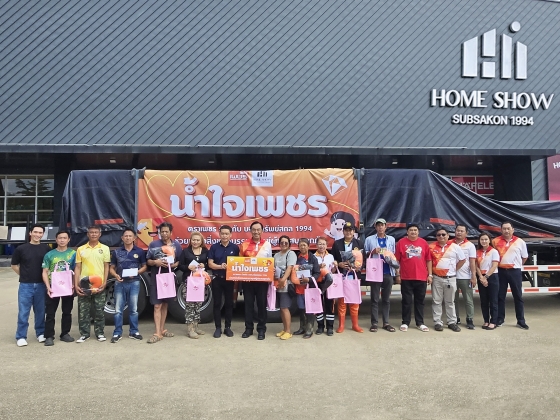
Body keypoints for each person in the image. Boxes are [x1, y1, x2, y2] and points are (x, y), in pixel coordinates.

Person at [12, 224, 50, 347]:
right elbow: (14, 265)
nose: (38, 235)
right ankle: (21, 336)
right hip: (25, 285)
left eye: (40, 233)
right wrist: (23, 275)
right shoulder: (21, 249)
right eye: (35, 232)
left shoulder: (46, 249)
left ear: (43, 234)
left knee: (40, 311)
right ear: (30, 233)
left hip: (41, 285)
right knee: (23, 312)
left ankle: (40, 333)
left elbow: (48, 266)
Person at [109, 228, 147, 343]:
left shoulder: (139, 251)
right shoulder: (116, 252)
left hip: (134, 282)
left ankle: (134, 331)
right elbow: (111, 268)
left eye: (130, 236)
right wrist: (115, 275)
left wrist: (136, 273)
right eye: (126, 236)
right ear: (122, 238)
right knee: (118, 310)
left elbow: (145, 266)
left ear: (134, 238)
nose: (128, 238)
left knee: (133, 309)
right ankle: (117, 332)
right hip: (120, 283)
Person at [146, 222, 182, 343]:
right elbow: (148, 261)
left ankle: (162, 329)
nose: (164, 234)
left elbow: (179, 261)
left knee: (165, 304)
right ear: (159, 233)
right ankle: (157, 332)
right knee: (157, 305)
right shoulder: (153, 244)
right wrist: (155, 262)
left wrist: (173, 265)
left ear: (171, 233)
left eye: (166, 231)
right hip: (156, 277)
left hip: (169, 278)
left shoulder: (176, 245)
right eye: (162, 232)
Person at [74, 225, 111, 343]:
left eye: (96, 232)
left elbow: (106, 266)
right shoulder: (81, 249)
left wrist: (105, 282)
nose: (93, 234)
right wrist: (76, 284)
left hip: (99, 284)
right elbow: (78, 267)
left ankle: (100, 333)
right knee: (83, 311)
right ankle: (84, 334)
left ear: (100, 234)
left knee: (99, 310)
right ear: (87, 234)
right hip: (84, 284)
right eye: (91, 232)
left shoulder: (105, 248)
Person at [394, 223, 432, 332]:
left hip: (421, 277)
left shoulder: (423, 243)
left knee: (420, 301)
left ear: (418, 232)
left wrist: (430, 275)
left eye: (415, 230)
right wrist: (398, 274)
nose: (413, 232)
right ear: (407, 232)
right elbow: (396, 260)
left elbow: (428, 260)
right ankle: (405, 322)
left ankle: (420, 323)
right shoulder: (401, 242)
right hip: (406, 277)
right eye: (411, 230)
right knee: (406, 301)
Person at [41, 230, 77, 346]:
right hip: (53, 287)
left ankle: (65, 334)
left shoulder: (73, 254)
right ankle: (49, 336)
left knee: (67, 311)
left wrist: (74, 284)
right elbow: (45, 271)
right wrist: (48, 287)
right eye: (60, 238)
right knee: (50, 312)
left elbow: (76, 270)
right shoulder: (49, 254)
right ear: (56, 240)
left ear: (68, 239)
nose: (62, 240)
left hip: (68, 286)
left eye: (64, 238)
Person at [493, 221, 529, 329]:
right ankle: (500, 319)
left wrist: (516, 265)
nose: (506, 231)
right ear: (501, 230)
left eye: (508, 228)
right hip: (500, 271)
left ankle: (521, 320)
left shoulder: (520, 242)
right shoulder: (495, 241)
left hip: (515, 272)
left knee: (518, 296)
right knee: (500, 296)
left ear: (513, 230)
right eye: (504, 228)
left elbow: (524, 257)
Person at [364, 218, 398, 333]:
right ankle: (374, 323)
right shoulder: (369, 239)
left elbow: (393, 255)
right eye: (378, 225)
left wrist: (397, 271)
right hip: (375, 272)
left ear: (385, 227)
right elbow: (364, 253)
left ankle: (386, 322)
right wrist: (372, 252)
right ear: (375, 227)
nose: (380, 227)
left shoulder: (391, 239)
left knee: (386, 299)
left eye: (382, 225)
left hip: (388, 272)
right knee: (374, 299)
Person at [240, 221, 272, 340]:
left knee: (261, 305)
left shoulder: (267, 245)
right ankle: (248, 329)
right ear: (251, 231)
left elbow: (269, 261)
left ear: (262, 231)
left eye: (258, 229)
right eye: (254, 229)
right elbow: (240, 262)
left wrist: (271, 270)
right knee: (248, 305)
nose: (256, 232)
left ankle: (261, 329)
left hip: (262, 281)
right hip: (247, 281)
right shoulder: (244, 244)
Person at [429, 228, 465, 332]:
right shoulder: (431, 247)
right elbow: (429, 261)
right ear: (436, 237)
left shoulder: (455, 247)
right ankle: (437, 322)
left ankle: (452, 322)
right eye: (439, 235)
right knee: (436, 301)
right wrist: (430, 275)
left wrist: (454, 270)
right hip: (436, 278)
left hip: (451, 278)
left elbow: (462, 260)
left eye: (443, 234)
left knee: (450, 301)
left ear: (448, 236)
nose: (441, 236)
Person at [331, 222, 365, 333]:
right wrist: (339, 264)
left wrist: (358, 266)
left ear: (354, 232)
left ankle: (355, 325)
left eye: (350, 230)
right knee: (342, 301)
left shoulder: (359, 243)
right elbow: (332, 259)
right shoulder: (337, 244)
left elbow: (363, 260)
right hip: (342, 276)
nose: (348, 232)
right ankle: (341, 325)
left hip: (354, 276)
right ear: (343, 231)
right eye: (346, 230)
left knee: (354, 301)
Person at [208, 225, 240, 338]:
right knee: (217, 303)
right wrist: (220, 266)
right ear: (219, 234)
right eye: (222, 233)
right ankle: (218, 328)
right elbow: (210, 263)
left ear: (230, 235)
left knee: (229, 304)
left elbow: (238, 263)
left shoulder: (235, 248)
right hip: (217, 278)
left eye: (227, 234)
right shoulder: (214, 247)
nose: (224, 236)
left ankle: (228, 327)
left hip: (229, 280)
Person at [179, 231, 209, 339]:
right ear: (190, 241)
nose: (195, 242)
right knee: (190, 305)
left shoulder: (205, 251)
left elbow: (208, 265)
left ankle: (196, 327)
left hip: (200, 282)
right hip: (189, 282)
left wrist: (204, 265)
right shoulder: (185, 251)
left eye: (197, 240)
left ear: (201, 241)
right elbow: (180, 266)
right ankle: (190, 329)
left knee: (198, 305)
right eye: (193, 240)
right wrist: (188, 267)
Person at [293, 238, 321, 339]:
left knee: (309, 309)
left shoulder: (313, 258)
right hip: (299, 288)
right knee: (301, 309)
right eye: (301, 245)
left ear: (308, 246)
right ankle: (302, 328)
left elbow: (317, 273)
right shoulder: (297, 257)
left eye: (304, 245)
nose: (302, 247)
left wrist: (309, 279)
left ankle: (309, 329)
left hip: (309, 288)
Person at [453, 224, 477, 329]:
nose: (459, 232)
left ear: (466, 233)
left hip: (466, 277)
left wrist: (473, 276)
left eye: (462, 231)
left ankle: (469, 319)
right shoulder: (450, 244)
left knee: (468, 300)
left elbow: (472, 262)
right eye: (457, 230)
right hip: (452, 276)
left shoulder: (470, 245)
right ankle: (455, 318)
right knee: (453, 300)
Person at [476, 232, 500, 330]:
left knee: (493, 300)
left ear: (489, 240)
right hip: (481, 277)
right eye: (482, 239)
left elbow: (494, 266)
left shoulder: (494, 251)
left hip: (492, 277)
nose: (484, 241)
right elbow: (476, 266)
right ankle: (486, 320)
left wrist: (485, 277)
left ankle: (493, 321)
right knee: (484, 301)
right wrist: (481, 277)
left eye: (486, 239)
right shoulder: (477, 252)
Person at [274, 235, 297, 340]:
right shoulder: (276, 255)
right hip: (277, 284)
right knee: (281, 308)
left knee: (285, 307)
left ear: (289, 244)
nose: (283, 244)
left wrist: (283, 280)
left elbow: (290, 268)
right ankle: (284, 329)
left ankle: (288, 331)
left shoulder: (291, 254)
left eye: (286, 243)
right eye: (282, 242)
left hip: (286, 284)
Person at [314, 237, 336, 336]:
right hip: (317, 283)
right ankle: (320, 326)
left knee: (329, 305)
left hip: (328, 283)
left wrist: (335, 266)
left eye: (323, 244)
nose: (321, 246)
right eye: (320, 244)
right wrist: (318, 267)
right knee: (318, 305)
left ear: (327, 246)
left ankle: (330, 327)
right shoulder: (313, 257)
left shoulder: (330, 256)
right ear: (316, 245)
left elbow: (333, 271)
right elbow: (311, 271)